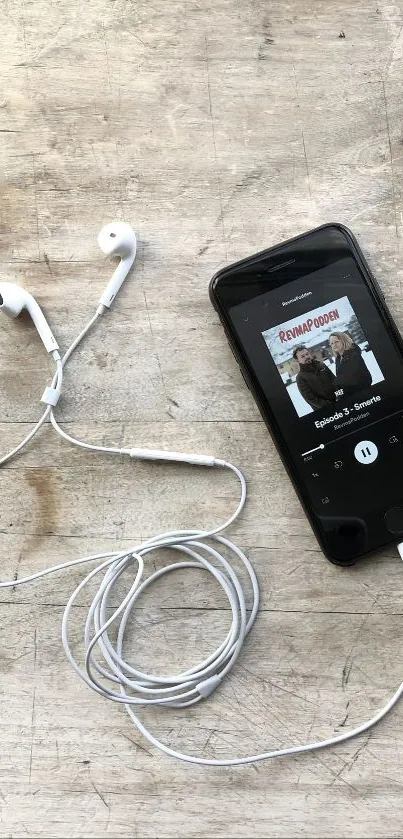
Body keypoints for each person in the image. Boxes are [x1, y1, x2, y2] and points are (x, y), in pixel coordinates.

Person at [293, 345, 337, 410]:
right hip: (325, 411)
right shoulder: (300, 378)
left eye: (307, 354)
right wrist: (329, 405)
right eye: (302, 356)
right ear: (297, 360)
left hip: (339, 401)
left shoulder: (322, 365)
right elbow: (310, 399)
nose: (306, 357)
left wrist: (340, 395)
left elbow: (335, 381)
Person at [329, 332, 372, 397]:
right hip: (351, 395)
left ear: (343, 341)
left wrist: (335, 388)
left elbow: (348, 378)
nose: (334, 345)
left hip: (363, 393)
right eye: (332, 343)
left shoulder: (353, 355)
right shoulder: (338, 358)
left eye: (336, 341)